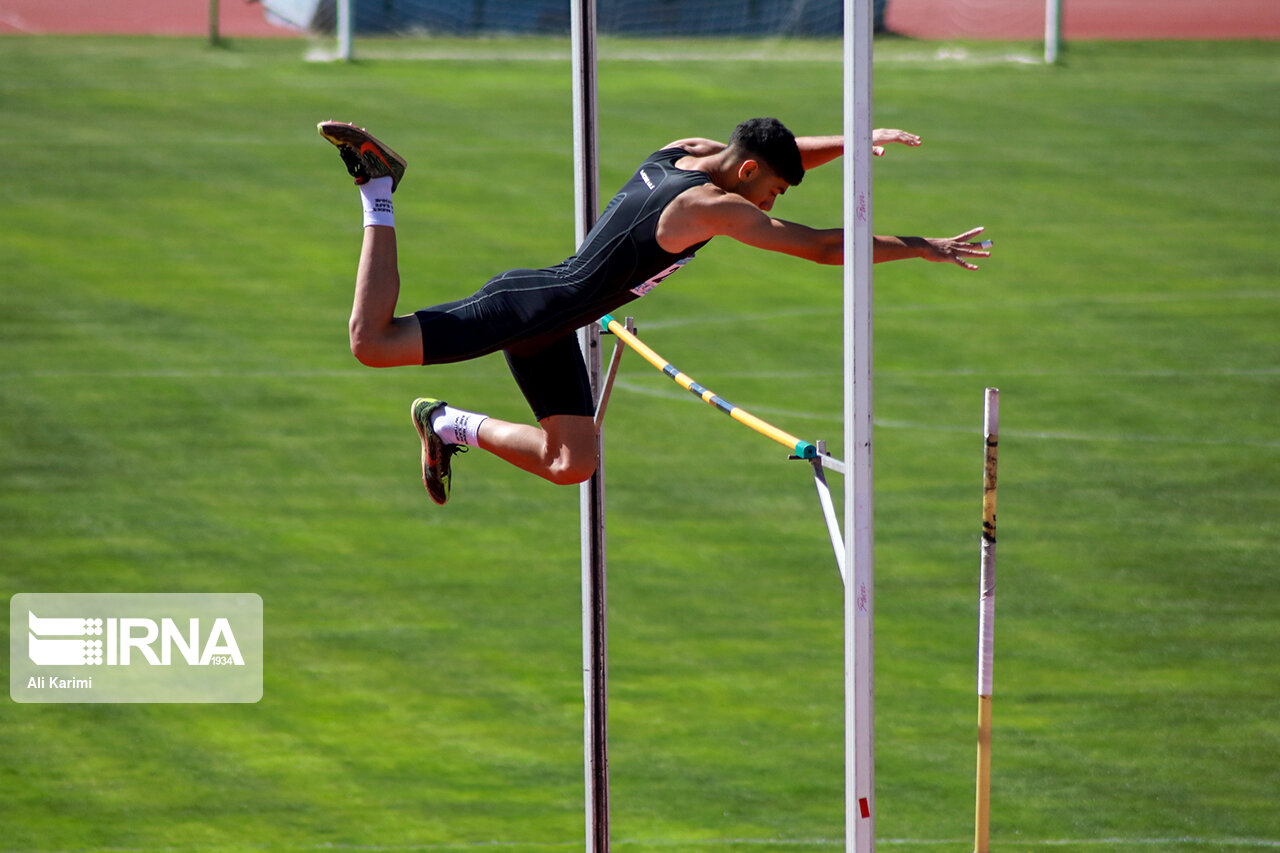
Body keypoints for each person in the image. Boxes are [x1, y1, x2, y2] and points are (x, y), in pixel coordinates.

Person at [318, 118, 991, 505]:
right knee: (372, 342)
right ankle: (379, 186)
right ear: (750, 172)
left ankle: (444, 423)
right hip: (528, 307)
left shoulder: (689, 150)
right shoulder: (712, 207)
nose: (772, 206)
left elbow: (774, 154)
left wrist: (850, 136)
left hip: (553, 324)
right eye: (775, 190)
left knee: (572, 462)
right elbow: (820, 248)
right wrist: (923, 247)